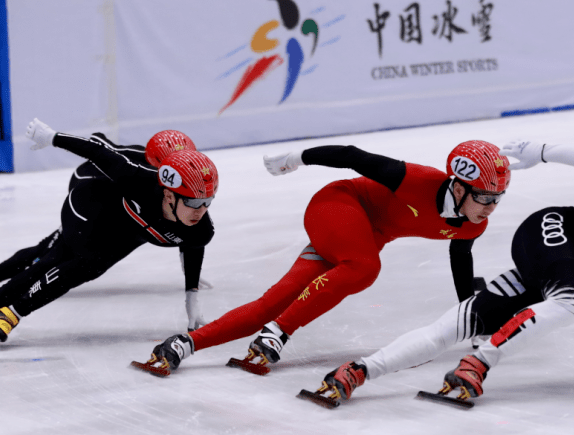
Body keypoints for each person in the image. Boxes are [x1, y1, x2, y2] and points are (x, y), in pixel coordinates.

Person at [302, 139, 574, 407]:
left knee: (462, 321)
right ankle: (477, 364)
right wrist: (537, 152)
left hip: (559, 271)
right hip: (550, 233)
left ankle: (357, 371)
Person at [135, 140, 511, 376]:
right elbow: (351, 156)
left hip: (356, 242)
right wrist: (294, 158)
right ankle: (279, 333)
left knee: (274, 302)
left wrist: (472, 322)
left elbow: (462, 265)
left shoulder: (472, 224)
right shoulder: (416, 180)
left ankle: (183, 345)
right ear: (459, 186)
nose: (490, 209)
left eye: (498, 200)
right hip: (338, 207)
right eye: (485, 198)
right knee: (366, 268)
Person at [0, 119, 219, 355]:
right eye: (194, 202)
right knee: (56, 265)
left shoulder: (197, 223)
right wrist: (52, 137)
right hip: (88, 204)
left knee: (76, 262)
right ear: (167, 187)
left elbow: (193, 242)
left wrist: (191, 293)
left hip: (121, 230)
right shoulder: (137, 177)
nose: (201, 210)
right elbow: (101, 150)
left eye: (207, 202)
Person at [0, 129, 206, 327]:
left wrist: (189, 268)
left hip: (131, 214)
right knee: (48, 250)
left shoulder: (178, 189)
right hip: (91, 189)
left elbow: (188, 230)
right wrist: (52, 137)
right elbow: (100, 142)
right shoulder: (135, 168)